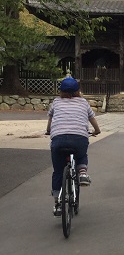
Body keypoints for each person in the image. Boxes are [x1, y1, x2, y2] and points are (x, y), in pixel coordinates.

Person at [46, 77, 101, 216]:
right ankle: (82, 173)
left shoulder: (56, 102)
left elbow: (50, 120)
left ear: (61, 91)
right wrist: (97, 131)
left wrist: (48, 131)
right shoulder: (83, 102)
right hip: (79, 138)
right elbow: (92, 119)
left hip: (58, 139)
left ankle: (58, 204)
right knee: (81, 155)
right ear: (77, 91)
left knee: (58, 172)